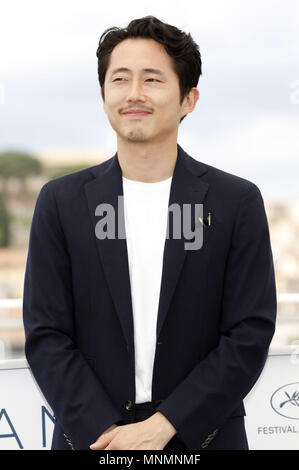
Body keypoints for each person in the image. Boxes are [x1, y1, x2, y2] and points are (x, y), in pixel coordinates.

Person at [22, 15, 277, 451]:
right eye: (120, 79)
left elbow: (249, 333)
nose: (134, 93)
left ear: (188, 99)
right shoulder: (60, 202)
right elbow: (46, 333)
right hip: (92, 441)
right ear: (103, 94)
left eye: (153, 79)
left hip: (203, 438)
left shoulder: (236, 202)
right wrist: (104, 432)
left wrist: (163, 426)